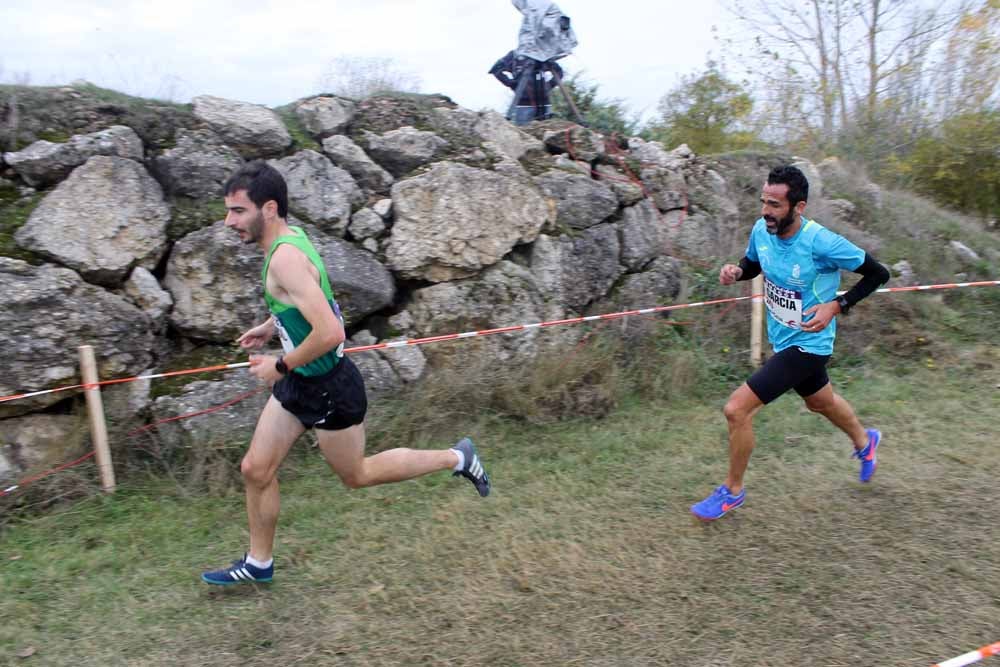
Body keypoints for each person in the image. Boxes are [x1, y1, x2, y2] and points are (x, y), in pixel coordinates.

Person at [201, 161, 491, 585]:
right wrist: (271, 326)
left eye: (237, 211)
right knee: (255, 469)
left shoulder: (285, 258)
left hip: (330, 388)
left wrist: (279, 364)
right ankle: (258, 564)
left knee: (357, 475)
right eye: (228, 211)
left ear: (268, 209)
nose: (229, 222)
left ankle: (457, 457)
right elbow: (311, 300)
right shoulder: (289, 241)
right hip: (302, 383)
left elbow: (331, 330)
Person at [691, 165, 890, 522]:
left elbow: (878, 273)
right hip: (782, 339)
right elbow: (753, 263)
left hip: (810, 344)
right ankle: (865, 441)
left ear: (799, 207)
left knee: (737, 409)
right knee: (820, 402)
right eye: (764, 202)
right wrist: (737, 272)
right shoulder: (761, 229)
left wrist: (837, 305)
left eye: (776, 205)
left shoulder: (822, 242)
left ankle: (731, 492)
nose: (766, 211)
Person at [489, 50, 563, 125]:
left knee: (548, 133)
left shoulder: (542, 53)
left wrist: (549, 86)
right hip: (523, 106)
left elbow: (559, 71)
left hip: (544, 104)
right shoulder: (515, 55)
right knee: (523, 133)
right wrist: (513, 84)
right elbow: (496, 69)